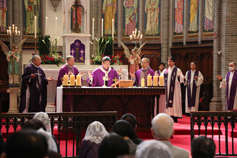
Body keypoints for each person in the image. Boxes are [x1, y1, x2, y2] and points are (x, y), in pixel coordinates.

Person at [160, 56, 184, 122]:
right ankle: (168, 115)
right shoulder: (165, 70)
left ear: (174, 62)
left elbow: (182, 79)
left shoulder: (177, 70)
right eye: (168, 61)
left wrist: (179, 77)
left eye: (170, 61)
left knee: (175, 101)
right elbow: (161, 78)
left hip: (175, 90)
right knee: (167, 101)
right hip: (167, 89)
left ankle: (175, 116)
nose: (169, 63)